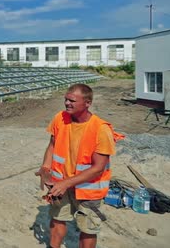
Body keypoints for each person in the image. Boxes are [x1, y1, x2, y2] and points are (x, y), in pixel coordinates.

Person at [36, 83, 124, 248]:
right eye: (66, 100)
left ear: (88, 103)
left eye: (72, 101)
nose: (67, 103)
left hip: (88, 189)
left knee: (88, 228)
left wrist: (66, 183)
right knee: (57, 220)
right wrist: (46, 168)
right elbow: (53, 144)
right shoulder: (60, 118)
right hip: (61, 184)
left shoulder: (100, 129)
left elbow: (98, 167)